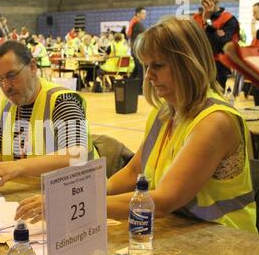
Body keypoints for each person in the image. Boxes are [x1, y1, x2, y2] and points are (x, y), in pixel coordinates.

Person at [16, 17, 257, 233]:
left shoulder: (215, 122)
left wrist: (74, 204)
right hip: (184, 230)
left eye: (158, 65)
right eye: (146, 66)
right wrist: (75, 193)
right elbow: (133, 172)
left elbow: (163, 201)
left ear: (188, 64)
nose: (149, 75)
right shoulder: (164, 113)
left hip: (228, 240)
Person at [0, 40, 97, 186]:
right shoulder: (8, 104)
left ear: (32, 67)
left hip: (76, 192)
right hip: (31, 192)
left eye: (12, 75)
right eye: (0, 79)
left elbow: (76, 155)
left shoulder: (63, 101)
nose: (6, 87)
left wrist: (17, 167)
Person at [193, 0, 240, 89]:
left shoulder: (229, 19)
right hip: (196, 68)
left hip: (218, 70)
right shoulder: (195, 19)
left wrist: (207, 22)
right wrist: (215, 32)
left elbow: (218, 47)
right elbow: (191, 44)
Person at [128, 7, 147, 92]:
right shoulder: (138, 24)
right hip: (137, 50)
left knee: (136, 69)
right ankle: (139, 90)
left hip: (134, 49)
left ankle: (127, 86)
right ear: (138, 14)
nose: (145, 15)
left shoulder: (133, 22)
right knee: (140, 69)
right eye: (143, 13)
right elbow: (145, 35)